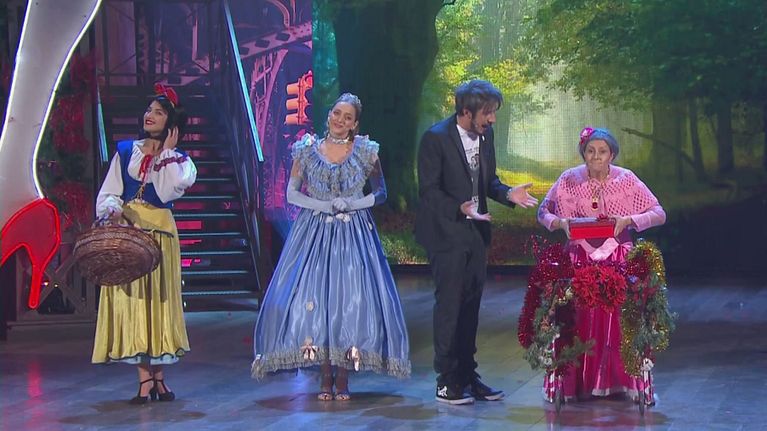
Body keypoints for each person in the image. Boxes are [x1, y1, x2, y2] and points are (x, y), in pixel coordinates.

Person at [251, 93, 411, 401]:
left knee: (348, 300)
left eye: (347, 117)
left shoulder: (365, 152)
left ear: (355, 124)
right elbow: (292, 193)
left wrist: (353, 203)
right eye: (337, 113)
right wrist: (322, 206)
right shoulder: (307, 150)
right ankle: (325, 375)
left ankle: (344, 377)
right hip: (314, 233)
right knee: (318, 299)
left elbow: (381, 192)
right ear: (329, 115)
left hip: (353, 233)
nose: (340, 120)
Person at [415, 80, 538, 405]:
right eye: (487, 113)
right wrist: (459, 207)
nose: (492, 119)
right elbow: (428, 191)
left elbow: (490, 181)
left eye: (494, 112)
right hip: (446, 232)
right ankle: (446, 380)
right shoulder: (435, 138)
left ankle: (468, 375)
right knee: (450, 305)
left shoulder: (486, 136)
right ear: (466, 111)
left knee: (470, 305)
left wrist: (507, 194)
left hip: (476, 232)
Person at [537, 126, 666, 403]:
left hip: (618, 257)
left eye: (602, 152)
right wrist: (561, 223)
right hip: (579, 257)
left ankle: (623, 381)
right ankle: (575, 384)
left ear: (612, 155)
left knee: (619, 320)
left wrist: (630, 220)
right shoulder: (569, 179)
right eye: (590, 151)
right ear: (583, 153)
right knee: (577, 318)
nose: (596, 156)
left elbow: (658, 213)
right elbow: (543, 212)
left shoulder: (626, 179)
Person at [92, 84, 196, 404]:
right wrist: (113, 210)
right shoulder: (126, 151)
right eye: (149, 110)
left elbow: (166, 191)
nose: (149, 115)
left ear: (171, 123)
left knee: (159, 302)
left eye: (159, 112)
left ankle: (159, 377)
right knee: (134, 303)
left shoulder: (179, 162)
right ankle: (144, 379)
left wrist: (167, 153)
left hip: (160, 235)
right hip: (129, 235)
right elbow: (110, 192)